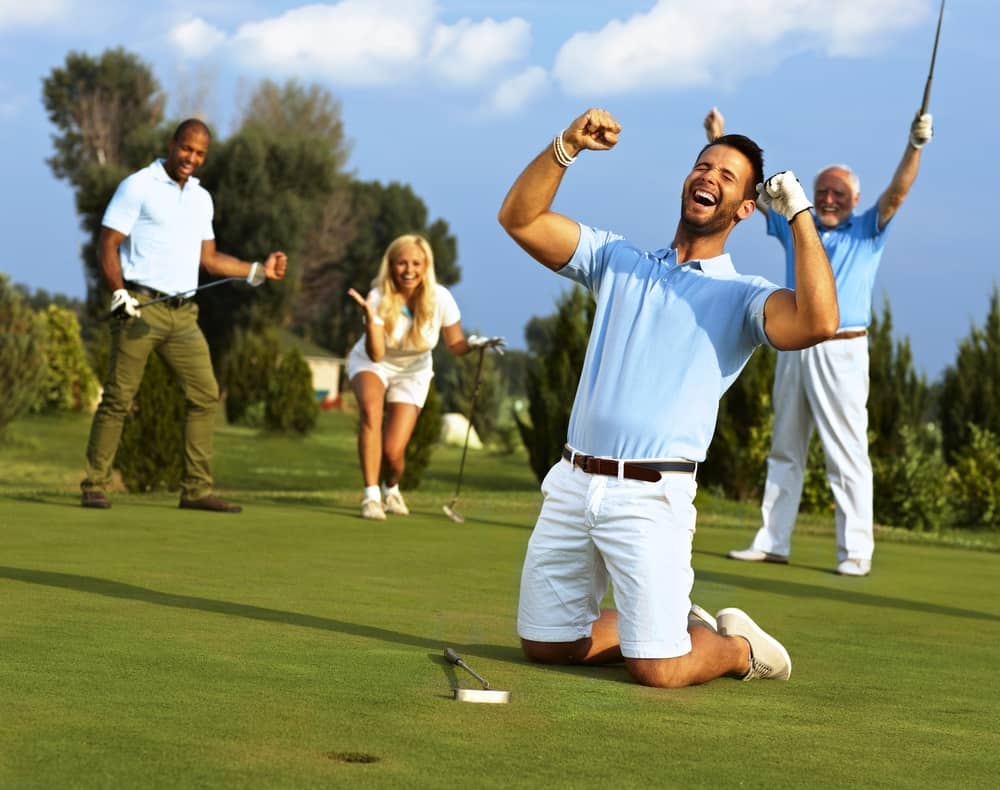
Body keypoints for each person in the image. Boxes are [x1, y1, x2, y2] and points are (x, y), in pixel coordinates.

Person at [497, 107, 839, 688]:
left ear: (745, 209)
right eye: (703, 166)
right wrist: (566, 146)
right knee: (546, 647)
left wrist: (800, 214)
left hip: (652, 496)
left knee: (658, 669)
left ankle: (735, 650)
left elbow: (819, 322)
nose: (709, 177)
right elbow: (520, 219)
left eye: (727, 177)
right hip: (573, 481)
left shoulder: (745, 296)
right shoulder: (618, 260)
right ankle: (672, 623)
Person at [705, 105, 933, 577]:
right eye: (822, 191)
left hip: (843, 348)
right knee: (785, 446)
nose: (829, 199)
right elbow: (748, 191)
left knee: (845, 450)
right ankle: (772, 541)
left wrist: (914, 145)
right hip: (795, 345)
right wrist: (720, 139)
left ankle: (855, 552)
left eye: (839, 193)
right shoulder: (796, 228)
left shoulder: (866, 231)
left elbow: (898, 193)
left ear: (853, 199)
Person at [80, 118, 288, 513]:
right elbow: (107, 244)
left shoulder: (200, 198)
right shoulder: (138, 185)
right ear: (172, 143)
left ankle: (195, 490)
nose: (191, 158)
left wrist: (258, 270)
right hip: (140, 309)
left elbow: (209, 260)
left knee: (205, 395)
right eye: (186, 148)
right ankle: (94, 484)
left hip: (183, 316)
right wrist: (119, 292)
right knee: (120, 399)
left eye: (199, 153)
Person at [346, 234, 503, 521]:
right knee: (371, 413)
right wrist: (371, 319)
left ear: (426, 265)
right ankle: (371, 496)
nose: (408, 270)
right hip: (373, 363)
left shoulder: (440, 297)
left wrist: (476, 344)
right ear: (390, 266)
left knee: (394, 452)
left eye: (415, 263)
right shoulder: (378, 297)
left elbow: (455, 345)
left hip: (414, 371)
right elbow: (377, 354)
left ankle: (391, 488)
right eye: (401, 263)